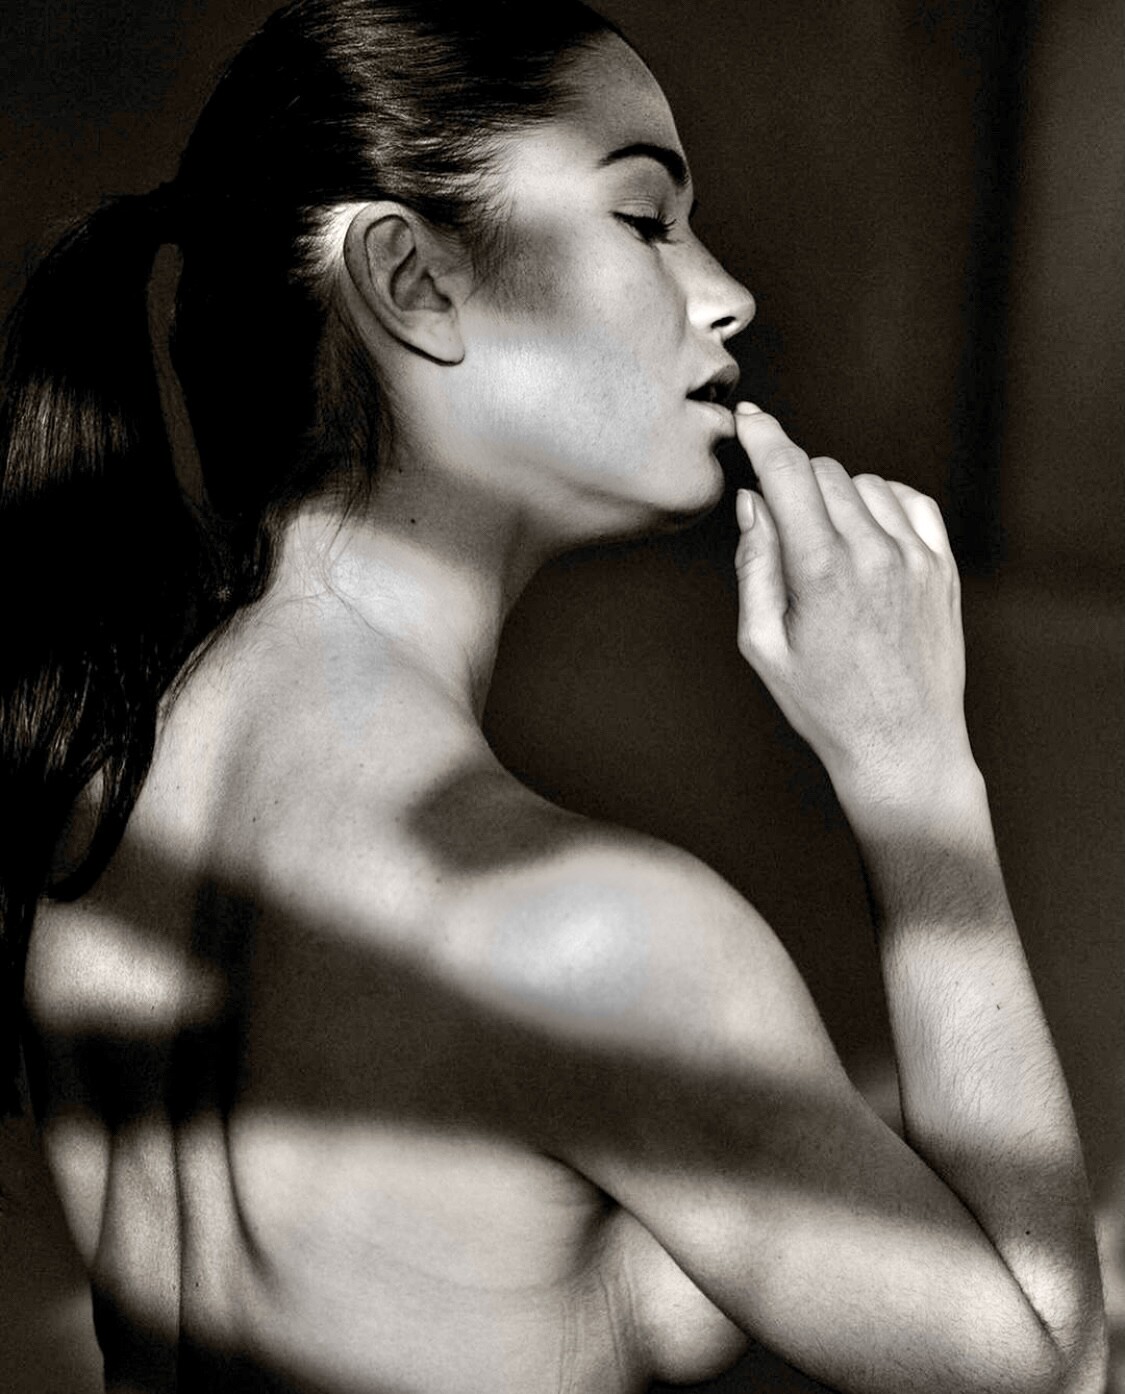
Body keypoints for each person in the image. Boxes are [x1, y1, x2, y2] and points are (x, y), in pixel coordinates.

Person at [0, 1, 1107, 1390]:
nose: (726, 294)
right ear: (411, 279)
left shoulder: (99, 818)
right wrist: (916, 774)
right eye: (645, 220)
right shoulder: (587, 937)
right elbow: (1050, 1366)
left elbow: (481, 1282)